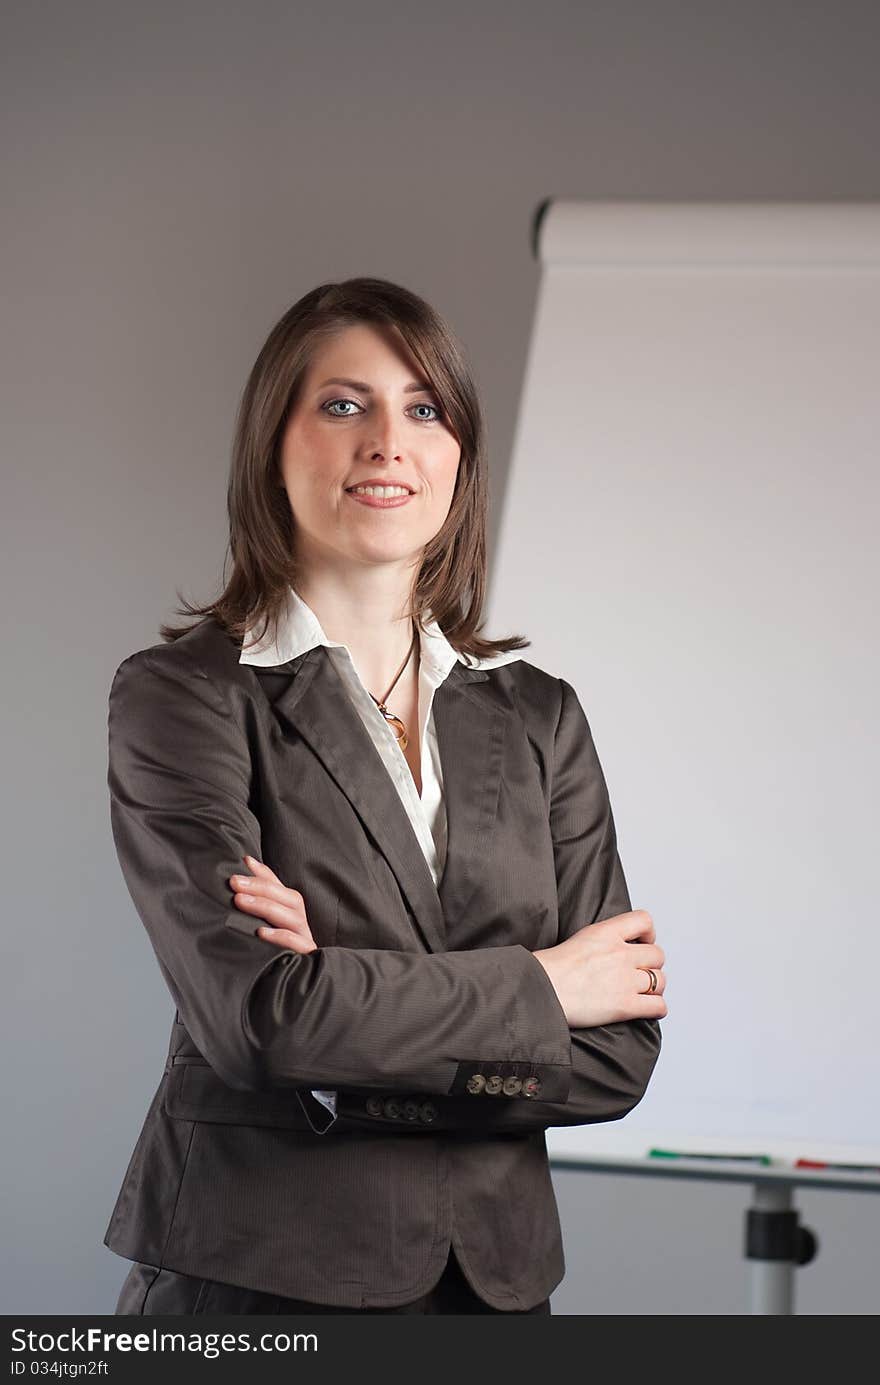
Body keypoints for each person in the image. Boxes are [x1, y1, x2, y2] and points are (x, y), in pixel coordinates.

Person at [105, 277, 667, 1316]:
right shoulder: (184, 696)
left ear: (458, 451)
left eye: (423, 407)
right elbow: (263, 1020)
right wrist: (545, 983)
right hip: (257, 1282)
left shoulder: (541, 716)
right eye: (342, 403)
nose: (387, 442)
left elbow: (618, 1048)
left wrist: (344, 1025)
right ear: (273, 441)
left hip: (496, 1290)